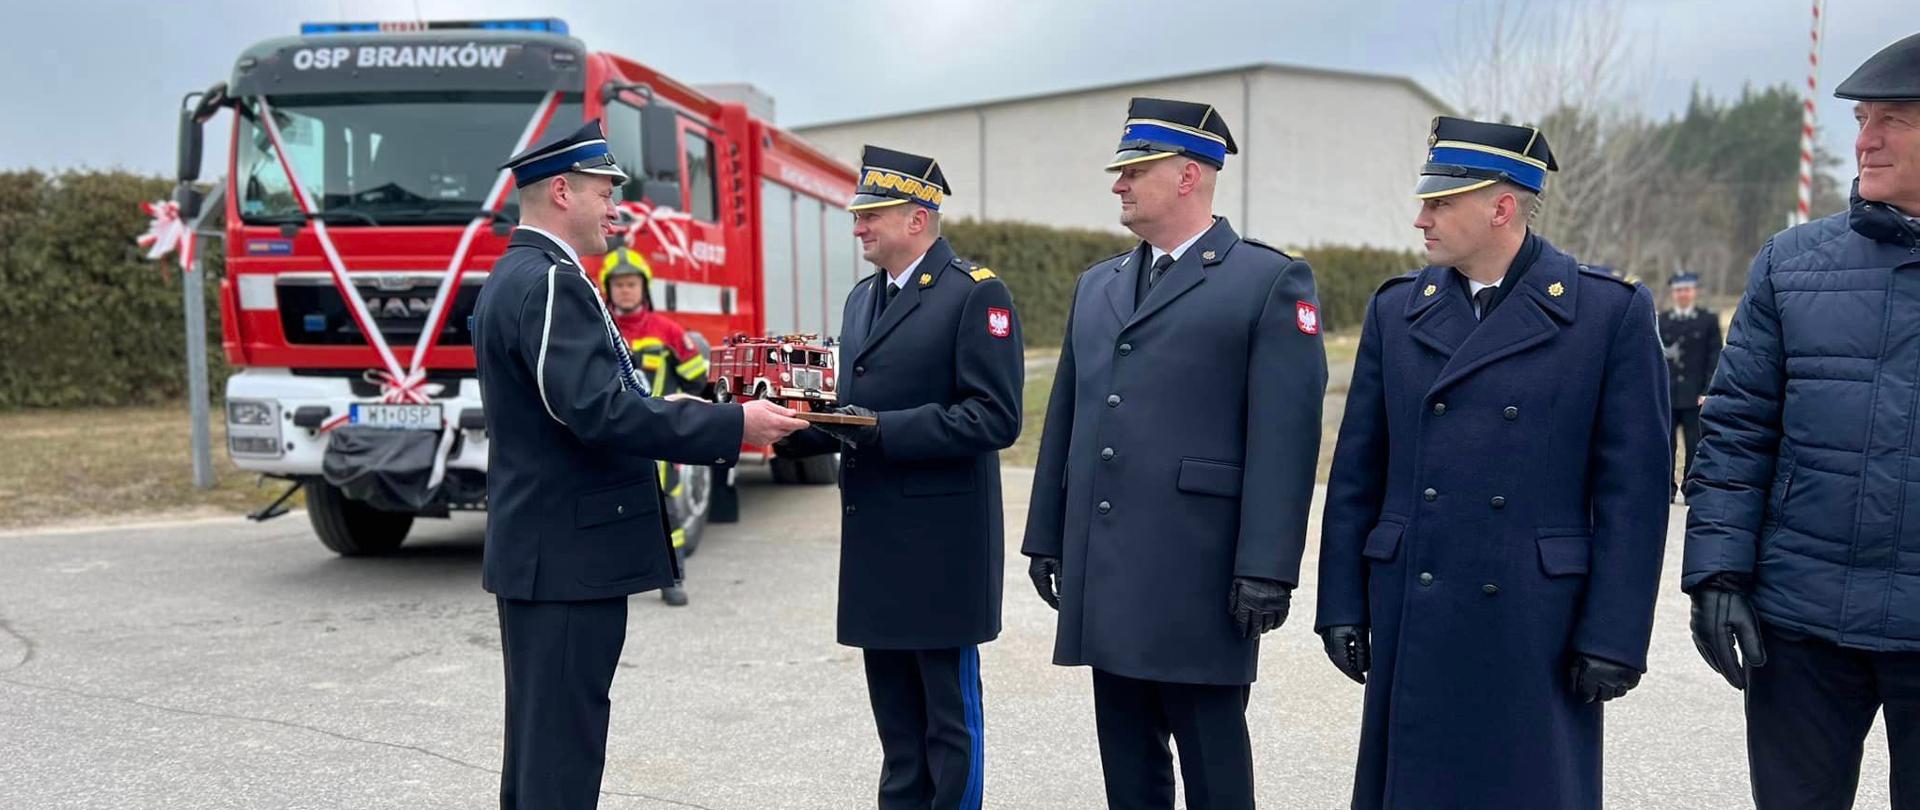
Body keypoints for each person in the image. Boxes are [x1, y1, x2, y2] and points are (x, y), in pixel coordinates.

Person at [1314, 116, 1670, 809]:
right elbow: (1358, 474)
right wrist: (1343, 603)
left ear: (1501, 207)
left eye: (1440, 203)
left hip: (1536, 623)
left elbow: (1634, 494)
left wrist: (1615, 636)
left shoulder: (1605, 314)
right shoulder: (1398, 310)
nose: (1421, 219)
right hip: (1416, 606)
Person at [469, 119, 805, 809]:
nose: (616, 207)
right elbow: (595, 414)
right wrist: (730, 421)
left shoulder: (522, 273)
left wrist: (663, 401)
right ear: (561, 192)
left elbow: (587, 400)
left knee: (540, 749)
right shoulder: (553, 281)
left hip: (544, 552)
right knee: (561, 755)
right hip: (566, 557)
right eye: (604, 192)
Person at [1021, 98, 1325, 810]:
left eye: (1135, 170)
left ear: (1189, 176)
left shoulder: (1266, 281)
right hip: (1109, 566)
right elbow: (1067, 414)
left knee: (1213, 761)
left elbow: (1286, 439)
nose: (1118, 185)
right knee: (1127, 765)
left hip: (1200, 573)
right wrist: (1047, 534)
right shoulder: (1097, 285)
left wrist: (1267, 567)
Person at [1684, 32, 1920, 809]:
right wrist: (1716, 575)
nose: (1866, 139)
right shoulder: (1791, 265)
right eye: (1861, 118)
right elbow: (1737, 432)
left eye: (1895, 117)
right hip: (1804, 627)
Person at [779, 145, 1023, 810]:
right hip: (877, 542)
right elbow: (848, 411)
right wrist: (786, 425)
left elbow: (995, 418)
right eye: (858, 215)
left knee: (948, 723)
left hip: (943, 548)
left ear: (918, 219)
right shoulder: (862, 300)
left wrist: (884, 428)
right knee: (896, 730)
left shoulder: (974, 294)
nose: (857, 226)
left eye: (871, 214)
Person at [601, 248, 712, 607]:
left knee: (666, 510)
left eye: (632, 284)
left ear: (644, 287)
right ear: (608, 289)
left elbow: (697, 379)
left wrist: (677, 404)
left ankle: (673, 577)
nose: (626, 291)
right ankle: (609, 580)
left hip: (655, 437)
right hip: (611, 436)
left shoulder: (667, 332)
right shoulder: (600, 330)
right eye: (619, 285)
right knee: (607, 510)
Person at [1657, 271, 1720, 502]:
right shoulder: (1663, 320)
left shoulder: (1707, 320)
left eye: (1686, 289)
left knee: (1694, 445)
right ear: (1673, 293)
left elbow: (1714, 357)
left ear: (1694, 292)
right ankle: (1668, 489)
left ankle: (1691, 487)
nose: (1682, 294)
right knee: (1666, 444)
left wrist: (1707, 390)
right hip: (1668, 394)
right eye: (1678, 290)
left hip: (1695, 395)